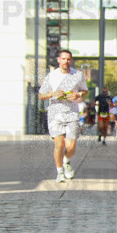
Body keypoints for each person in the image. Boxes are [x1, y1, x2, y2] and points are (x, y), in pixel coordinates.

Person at [37, 49, 89, 183]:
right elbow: (41, 95)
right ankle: (59, 171)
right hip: (55, 113)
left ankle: (66, 162)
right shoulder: (52, 76)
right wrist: (53, 94)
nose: (66, 61)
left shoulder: (77, 75)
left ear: (71, 61)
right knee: (59, 144)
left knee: (71, 145)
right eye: (63, 59)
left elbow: (85, 90)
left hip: (72, 113)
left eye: (68, 59)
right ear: (59, 60)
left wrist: (78, 95)